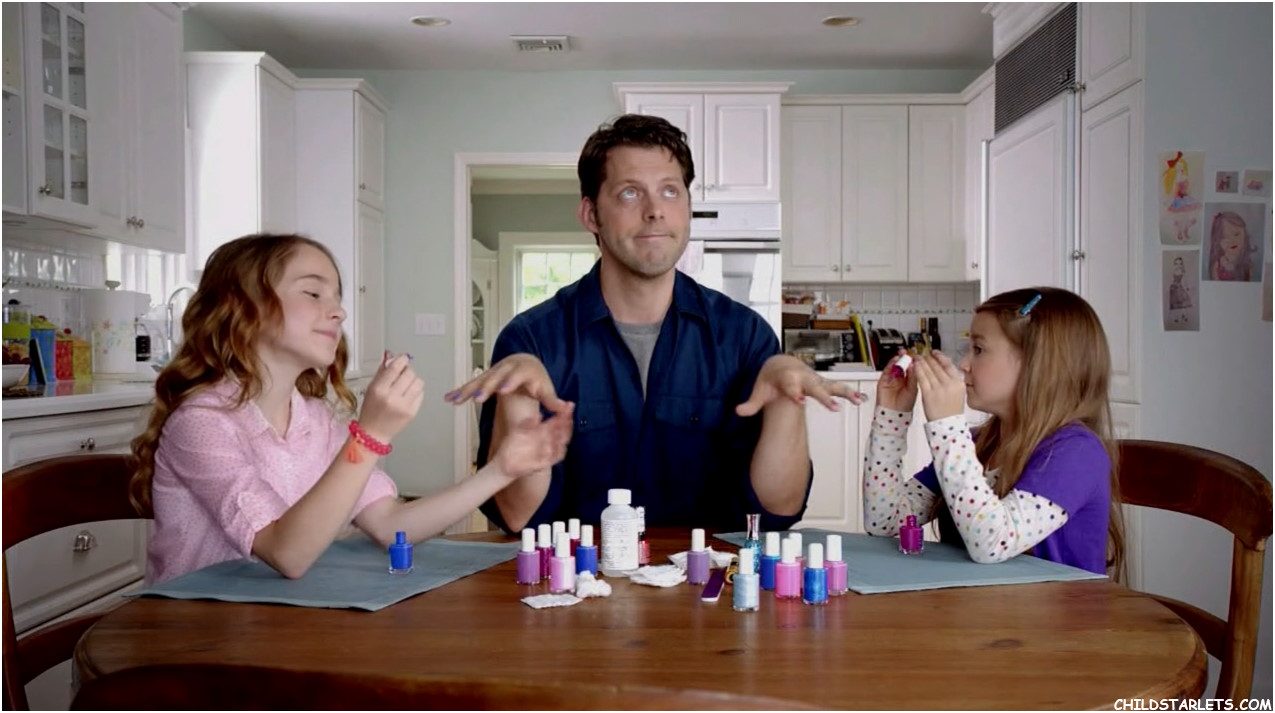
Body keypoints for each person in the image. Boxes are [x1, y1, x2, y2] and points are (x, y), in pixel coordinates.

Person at [445, 114, 863, 534]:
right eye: (630, 193)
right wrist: (518, 402)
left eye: (670, 191)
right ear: (591, 214)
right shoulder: (532, 341)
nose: (655, 211)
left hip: (711, 574)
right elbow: (519, 517)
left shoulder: (746, 338)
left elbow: (779, 510)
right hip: (573, 574)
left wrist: (786, 404)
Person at [131, 234, 572, 583]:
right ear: (242, 307)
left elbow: (390, 525)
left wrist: (501, 470)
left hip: (270, 627)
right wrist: (371, 435)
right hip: (193, 637)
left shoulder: (315, 419)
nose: (339, 312)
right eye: (313, 293)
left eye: (337, 297)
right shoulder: (202, 423)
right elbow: (287, 553)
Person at [861, 287, 1123, 576]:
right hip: (983, 601)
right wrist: (892, 417)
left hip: (1057, 606)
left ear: (1038, 363)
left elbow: (993, 542)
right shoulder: (977, 445)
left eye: (979, 350)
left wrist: (947, 426)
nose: (964, 364)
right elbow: (885, 521)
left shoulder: (1077, 453)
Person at [1206, 210, 1256, 281]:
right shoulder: (1217, 265)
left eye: (1236, 234)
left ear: (1245, 235)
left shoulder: (1247, 264)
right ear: (1217, 242)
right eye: (1225, 237)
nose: (1232, 241)